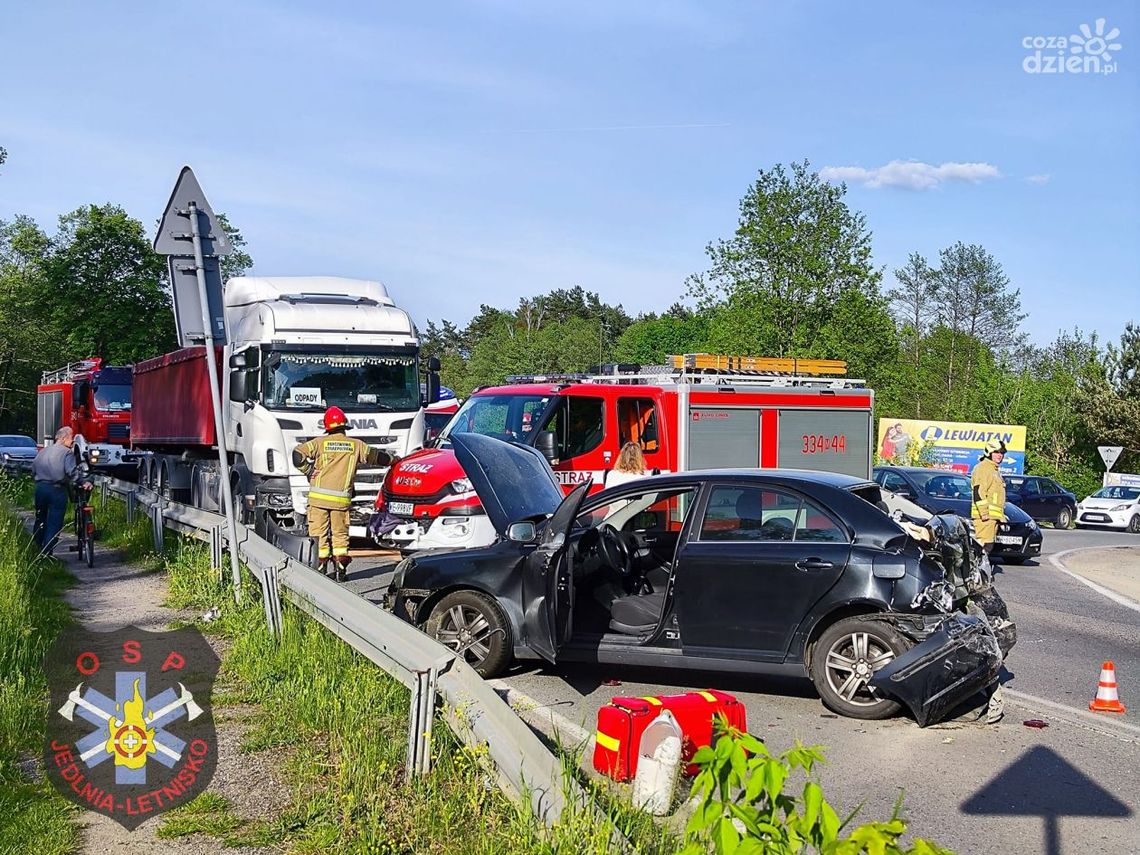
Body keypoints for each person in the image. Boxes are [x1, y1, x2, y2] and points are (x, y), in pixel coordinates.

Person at [293, 406, 396, 581]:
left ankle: (320, 568)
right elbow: (378, 457)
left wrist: (309, 471)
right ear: (344, 427)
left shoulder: (318, 443)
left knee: (318, 534)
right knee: (340, 535)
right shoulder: (356, 445)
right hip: (340, 501)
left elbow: (297, 455)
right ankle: (340, 570)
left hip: (317, 500)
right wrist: (395, 460)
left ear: (327, 427)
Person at [31, 427, 87, 555]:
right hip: (56, 490)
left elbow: (33, 468)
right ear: (63, 438)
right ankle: (47, 552)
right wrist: (83, 482)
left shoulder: (43, 452)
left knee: (40, 518)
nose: (72, 441)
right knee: (54, 521)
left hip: (40, 488)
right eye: (70, 438)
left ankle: (36, 549)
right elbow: (71, 471)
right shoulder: (67, 453)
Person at [970, 439, 1007, 555]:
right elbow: (978, 492)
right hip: (984, 518)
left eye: (1002, 453)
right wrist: (984, 513)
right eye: (996, 452)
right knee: (982, 547)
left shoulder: (994, 470)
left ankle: (981, 571)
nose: (1000, 455)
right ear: (989, 453)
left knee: (987, 547)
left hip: (992, 517)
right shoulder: (983, 468)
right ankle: (976, 572)